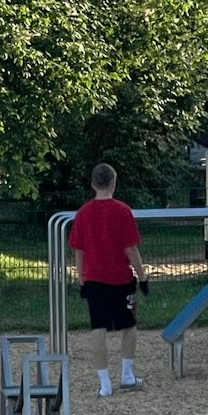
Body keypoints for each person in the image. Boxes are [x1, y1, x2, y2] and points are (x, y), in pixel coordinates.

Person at [67, 163, 149, 396]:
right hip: (122, 279)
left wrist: (81, 278)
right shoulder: (123, 211)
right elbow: (131, 249)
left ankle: (104, 382)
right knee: (129, 324)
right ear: (114, 183)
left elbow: (78, 250)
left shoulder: (83, 213)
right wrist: (142, 277)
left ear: (93, 184)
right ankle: (127, 373)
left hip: (94, 279)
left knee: (98, 327)